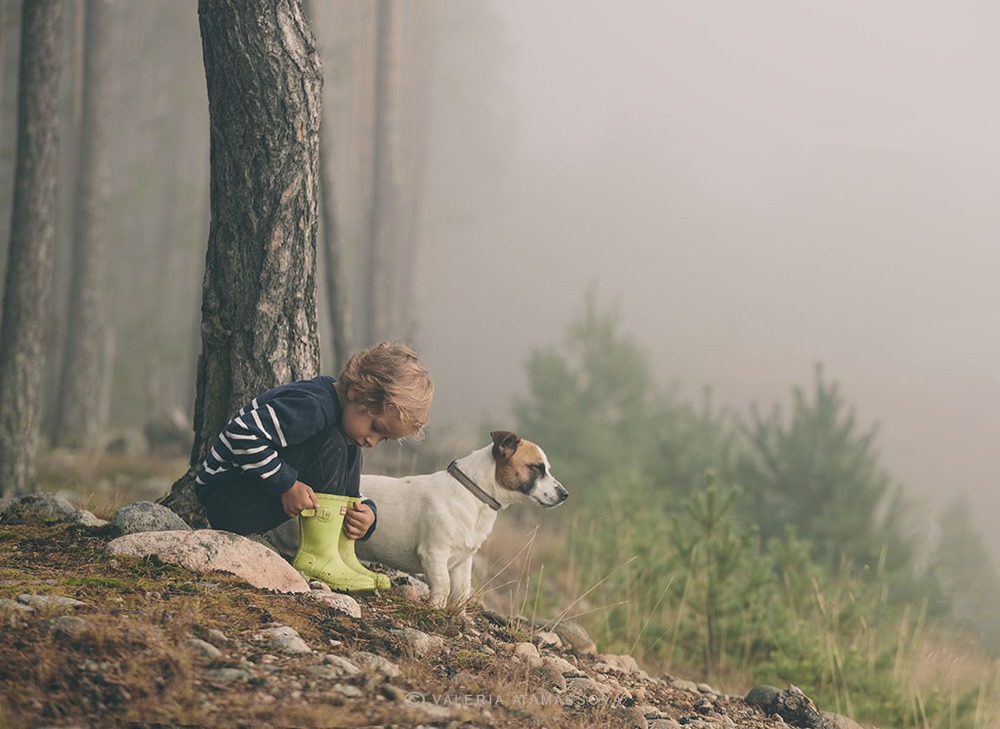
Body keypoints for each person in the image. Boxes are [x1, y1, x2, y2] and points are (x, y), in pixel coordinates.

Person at [194, 341, 433, 592]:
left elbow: (338, 479)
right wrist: (285, 483)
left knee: (347, 443)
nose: (373, 441)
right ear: (356, 392)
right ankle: (317, 556)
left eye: (383, 439)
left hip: (248, 494)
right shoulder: (312, 405)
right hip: (226, 498)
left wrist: (364, 512)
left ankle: (339, 553)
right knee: (333, 441)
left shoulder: (344, 426)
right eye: (376, 428)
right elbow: (241, 434)